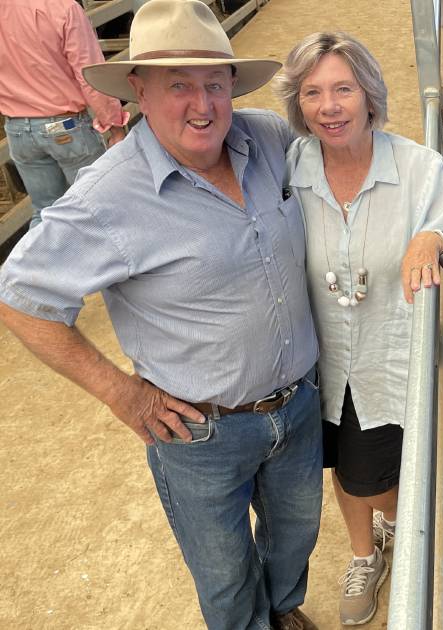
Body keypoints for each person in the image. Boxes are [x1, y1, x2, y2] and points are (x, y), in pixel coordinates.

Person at [0, 2, 321, 629]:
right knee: (226, 579)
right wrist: (123, 394)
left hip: (298, 405)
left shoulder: (267, 138)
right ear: (139, 93)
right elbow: (20, 296)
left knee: (295, 542)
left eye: (213, 83)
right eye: (177, 85)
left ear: (233, 86)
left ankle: (283, 613)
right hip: (203, 433)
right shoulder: (107, 197)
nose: (201, 104)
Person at [275, 32, 443, 626]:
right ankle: (365, 553)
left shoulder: (418, 170)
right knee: (341, 465)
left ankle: (386, 529)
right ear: (299, 106)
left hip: (382, 359)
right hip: (314, 358)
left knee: (365, 473)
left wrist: (437, 239)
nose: (330, 106)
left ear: (370, 94)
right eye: (313, 93)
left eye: (343, 88)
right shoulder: (291, 168)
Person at [0, 0, 130, 228]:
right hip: (65, 125)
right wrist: (114, 124)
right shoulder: (64, 8)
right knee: (100, 205)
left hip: (17, 129)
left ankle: (41, 261)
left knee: (45, 213)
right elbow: (88, 71)